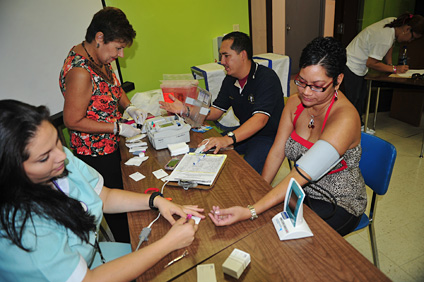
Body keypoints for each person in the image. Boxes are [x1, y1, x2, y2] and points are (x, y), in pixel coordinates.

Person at [0, 99, 204, 281]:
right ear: (10, 171)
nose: (61, 156)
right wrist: (168, 244)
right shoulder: (24, 231)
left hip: (94, 258)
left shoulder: (59, 161)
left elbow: (103, 196)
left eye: (57, 143)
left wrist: (156, 200)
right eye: (44, 158)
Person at [209, 37, 367, 236]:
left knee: (281, 239)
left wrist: (252, 210)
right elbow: (277, 151)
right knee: (262, 225)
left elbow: (302, 172)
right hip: (302, 193)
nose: (306, 92)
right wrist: (260, 192)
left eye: (317, 86)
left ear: (338, 80)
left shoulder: (345, 118)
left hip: (339, 202)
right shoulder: (294, 103)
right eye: (301, 82)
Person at [59, 7, 147, 242]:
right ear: (99, 38)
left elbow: (112, 87)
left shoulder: (97, 57)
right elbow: (72, 120)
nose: (120, 55)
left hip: (110, 145)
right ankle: (129, 255)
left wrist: (128, 107)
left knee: (128, 190)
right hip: (95, 153)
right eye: (118, 48)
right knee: (119, 212)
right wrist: (116, 128)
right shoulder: (80, 71)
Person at [159, 31, 284, 174]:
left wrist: (227, 139)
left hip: (268, 137)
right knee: (205, 149)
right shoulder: (230, 79)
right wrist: (186, 110)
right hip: (244, 132)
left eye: (226, 56)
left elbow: (259, 120)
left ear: (242, 55)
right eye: (221, 56)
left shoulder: (266, 78)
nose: (222, 61)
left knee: (245, 174)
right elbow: (215, 112)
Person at [343, 13, 424, 131]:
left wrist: (390, 65)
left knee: (361, 98)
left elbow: (390, 45)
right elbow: (371, 63)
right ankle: (348, 129)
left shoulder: (394, 23)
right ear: (407, 29)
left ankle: (358, 125)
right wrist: (395, 69)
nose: (410, 41)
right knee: (352, 99)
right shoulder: (385, 37)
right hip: (351, 64)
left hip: (359, 64)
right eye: (412, 37)